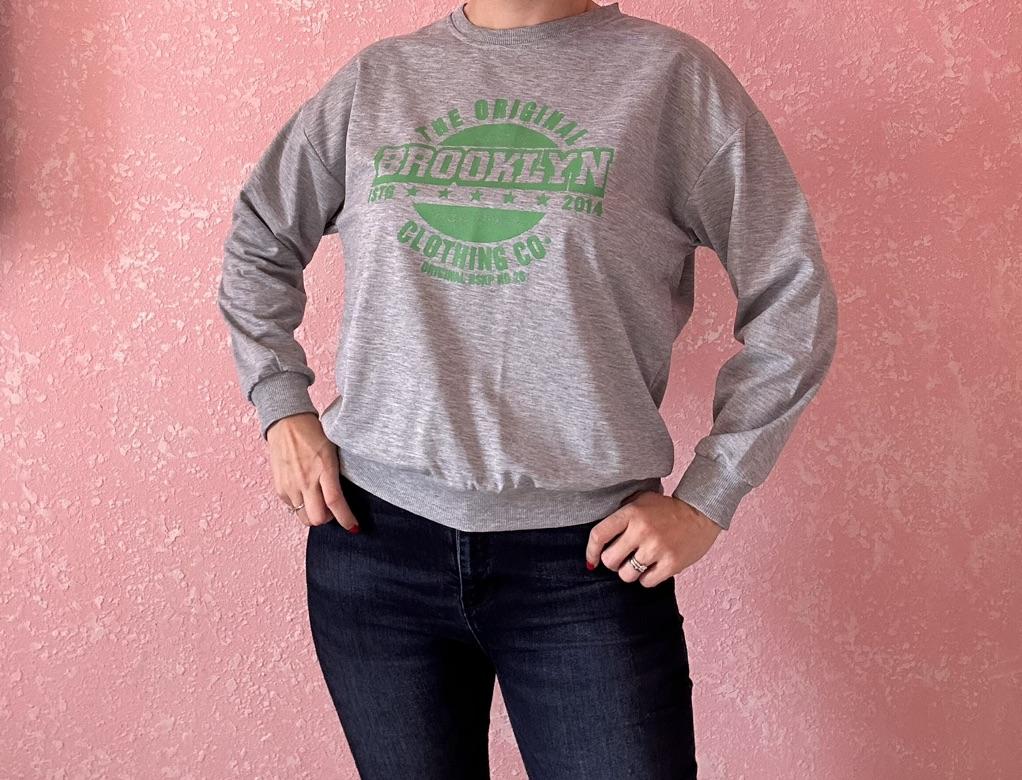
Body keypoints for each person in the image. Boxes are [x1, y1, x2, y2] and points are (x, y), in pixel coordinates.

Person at [216, 0, 838, 776]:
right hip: (374, 546)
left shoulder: (670, 80)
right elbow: (259, 238)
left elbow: (793, 298)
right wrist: (281, 404)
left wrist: (707, 499)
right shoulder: (381, 79)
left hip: (584, 565)